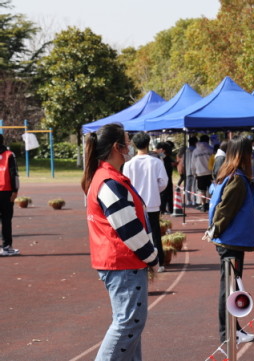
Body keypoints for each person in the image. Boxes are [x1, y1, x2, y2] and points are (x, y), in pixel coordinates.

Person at [81, 123, 159, 360]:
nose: (131, 145)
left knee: (130, 329)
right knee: (127, 325)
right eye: (127, 141)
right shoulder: (109, 181)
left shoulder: (107, 177)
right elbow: (128, 228)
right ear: (118, 147)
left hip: (119, 262)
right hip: (122, 262)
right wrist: (152, 256)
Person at [207, 136, 254, 345]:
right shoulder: (236, 179)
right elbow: (225, 210)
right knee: (229, 289)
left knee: (231, 288)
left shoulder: (229, 175)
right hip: (230, 240)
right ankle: (228, 333)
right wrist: (215, 229)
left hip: (229, 239)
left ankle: (232, 330)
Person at [123, 132, 169, 273]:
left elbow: (126, 184)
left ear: (134, 145)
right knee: (155, 233)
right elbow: (164, 182)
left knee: (137, 233)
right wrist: (154, 190)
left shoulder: (128, 164)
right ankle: (159, 262)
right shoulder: (156, 162)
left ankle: (141, 261)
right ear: (148, 144)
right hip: (152, 202)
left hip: (135, 205)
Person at [0, 134, 19, 256]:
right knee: (6, 219)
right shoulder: (9, 155)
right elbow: (14, 174)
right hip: (5, 191)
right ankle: (6, 246)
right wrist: (15, 190)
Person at [192, 134, 214, 212]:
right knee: (211, 189)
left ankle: (203, 204)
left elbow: (193, 163)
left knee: (202, 190)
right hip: (210, 173)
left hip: (200, 173)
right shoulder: (211, 149)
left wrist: (194, 173)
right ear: (208, 141)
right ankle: (211, 203)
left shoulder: (195, 151)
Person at [155, 141, 174, 215]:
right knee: (165, 192)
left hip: (166, 175)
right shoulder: (162, 156)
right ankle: (166, 208)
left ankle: (165, 208)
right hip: (166, 175)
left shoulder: (163, 156)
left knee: (166, 192)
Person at [185, 136, 198, 207]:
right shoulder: (195, 150)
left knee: (188, 186)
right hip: (194, 170)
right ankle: (194, 200)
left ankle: (188, 200)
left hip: (187, 170)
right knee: (194, 186)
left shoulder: (186, 150)